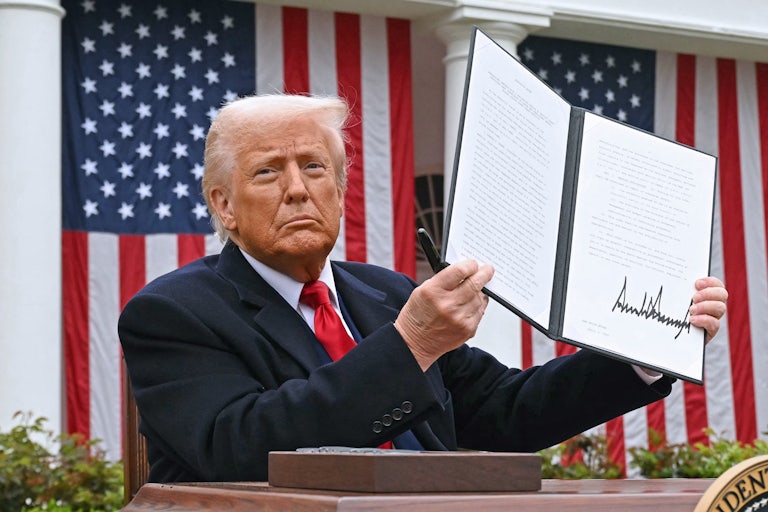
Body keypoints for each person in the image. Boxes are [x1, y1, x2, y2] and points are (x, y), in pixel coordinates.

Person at [118, 94, 728, 484]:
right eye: (267, 172)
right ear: (223, 205)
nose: (298, 189)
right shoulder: (172, 313)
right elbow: (240, 450)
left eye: (314, 166)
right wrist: (409, 343)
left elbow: (501, 414)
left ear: (340, 188)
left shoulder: (384, 292)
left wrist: (642, 351)